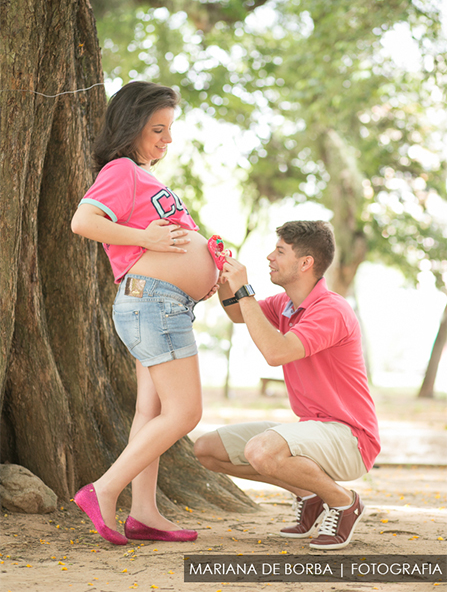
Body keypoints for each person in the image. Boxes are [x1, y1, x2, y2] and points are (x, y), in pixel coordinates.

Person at [70, 81, 220, 545]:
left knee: (150, 409)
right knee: (186, 411)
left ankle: (145, 512)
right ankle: (104, 490)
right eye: (157, 129)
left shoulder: (144, 176)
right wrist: (150, 241)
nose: (166, 140)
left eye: (169, 129)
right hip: (153, 300)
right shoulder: (122, 169)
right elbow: (83, 222)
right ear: (131, 127)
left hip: (163, 301)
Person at [193, 220, 381, 550]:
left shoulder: (331, 310)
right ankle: (310, 495)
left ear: (306, 263)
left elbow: (276, 352)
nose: (270, 257)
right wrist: (224, 276)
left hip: (350, 438)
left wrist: (245, 288)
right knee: (207, 450)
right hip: (314, 430)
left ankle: (343, 502)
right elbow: (239, 314)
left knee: (261, 450)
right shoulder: (285, 305)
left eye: (280, 251)